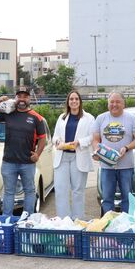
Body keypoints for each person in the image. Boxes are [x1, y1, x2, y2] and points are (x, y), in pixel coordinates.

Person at [0, 88, 47, 216]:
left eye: (25, 97)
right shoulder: (9, 113)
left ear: (29, 99)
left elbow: (42, 138)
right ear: (15, 98)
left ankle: (28, 219)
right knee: (9, 192)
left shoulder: (37, 118)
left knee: (29, 191)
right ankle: (6, 220)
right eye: (19, 96)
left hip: (28, 163)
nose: (22, 99)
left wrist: (37, 154)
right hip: (9, 162)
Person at [92, 92, 135, 215]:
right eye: (112, 102)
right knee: (107, 198)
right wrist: (97, 152)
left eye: (118, 102)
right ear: (108, 104)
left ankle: (126, 224)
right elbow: (95, 140)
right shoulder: (100, 118)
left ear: (123, 104)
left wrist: (126, 147)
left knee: (127, 198)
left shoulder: (132, 119)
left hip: (126, 166)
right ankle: (109, 225)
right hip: (107, 166)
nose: (114, 104)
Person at [51, 90, 95, 220]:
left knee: (78, 191)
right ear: (68, 102)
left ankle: (77, 221)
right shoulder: (62, 117)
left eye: (76, 99)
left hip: (79, 157)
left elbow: (92, 136)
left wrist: (79, 142)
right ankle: (64, 222)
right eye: (71, 99)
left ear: (80, 101)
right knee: (60, 190)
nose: (74, 101)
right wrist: (58, 141)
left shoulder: (89, 118)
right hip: (62, 157)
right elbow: (55, 136)